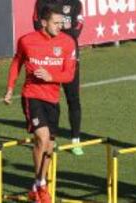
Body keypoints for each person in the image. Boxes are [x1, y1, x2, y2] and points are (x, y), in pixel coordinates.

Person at [4, 4, 76, 203]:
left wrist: (50, 76)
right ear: (43, 23)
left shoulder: (68, 42)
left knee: (50, 147)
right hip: (32, 96)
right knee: (42, 138)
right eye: (56, 23)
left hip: (53, 99)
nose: (60, 26)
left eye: (61, 22)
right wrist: (10, 88)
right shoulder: (27, 41)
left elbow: (69, 75)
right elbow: (16, 62)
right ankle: (41, 184)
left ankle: (36, 187)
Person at [33, 0, 84, 155]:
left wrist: (57, 30)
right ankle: (49, 138)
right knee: (48, 99)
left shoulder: (75, 3)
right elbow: (37, 25)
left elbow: (77, 29)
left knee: (73, 98)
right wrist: (61, 30)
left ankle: (75, 140)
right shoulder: (42, 2)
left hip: (69, 57)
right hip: (48, 57)